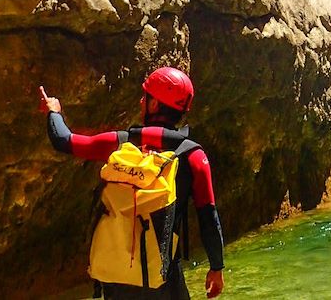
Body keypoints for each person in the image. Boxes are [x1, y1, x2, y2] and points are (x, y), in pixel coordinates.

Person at [40, 67, 225, 299]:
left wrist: (53, 111)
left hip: (118, 274)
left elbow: (63, 140)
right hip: (163, 276)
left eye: (145, 96)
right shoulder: (194, 156)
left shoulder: (118, 144)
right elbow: (208, 217)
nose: (141, 101)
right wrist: (216, 268)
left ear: (155, 104)